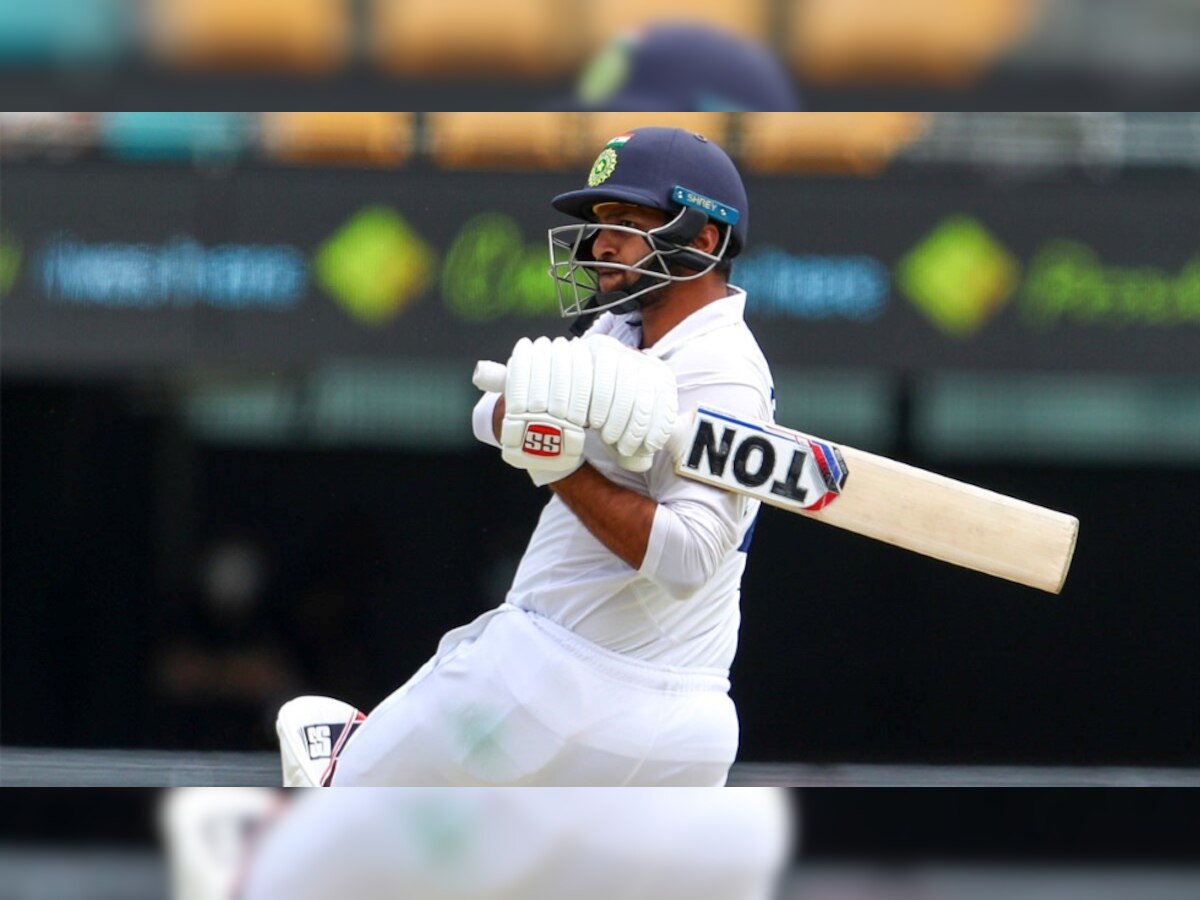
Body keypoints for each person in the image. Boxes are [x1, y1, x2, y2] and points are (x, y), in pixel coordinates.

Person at [277, 125, 774, 786]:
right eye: (600, 223)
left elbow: (686, 558)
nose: (600, 242)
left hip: (558, 680)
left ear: (704, 239)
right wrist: (535, 422)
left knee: (332, 797)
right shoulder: (624, 326)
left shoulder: (724, 372)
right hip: (682, 727)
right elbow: (495, 414)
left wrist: (561, 464)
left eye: (627, 221)